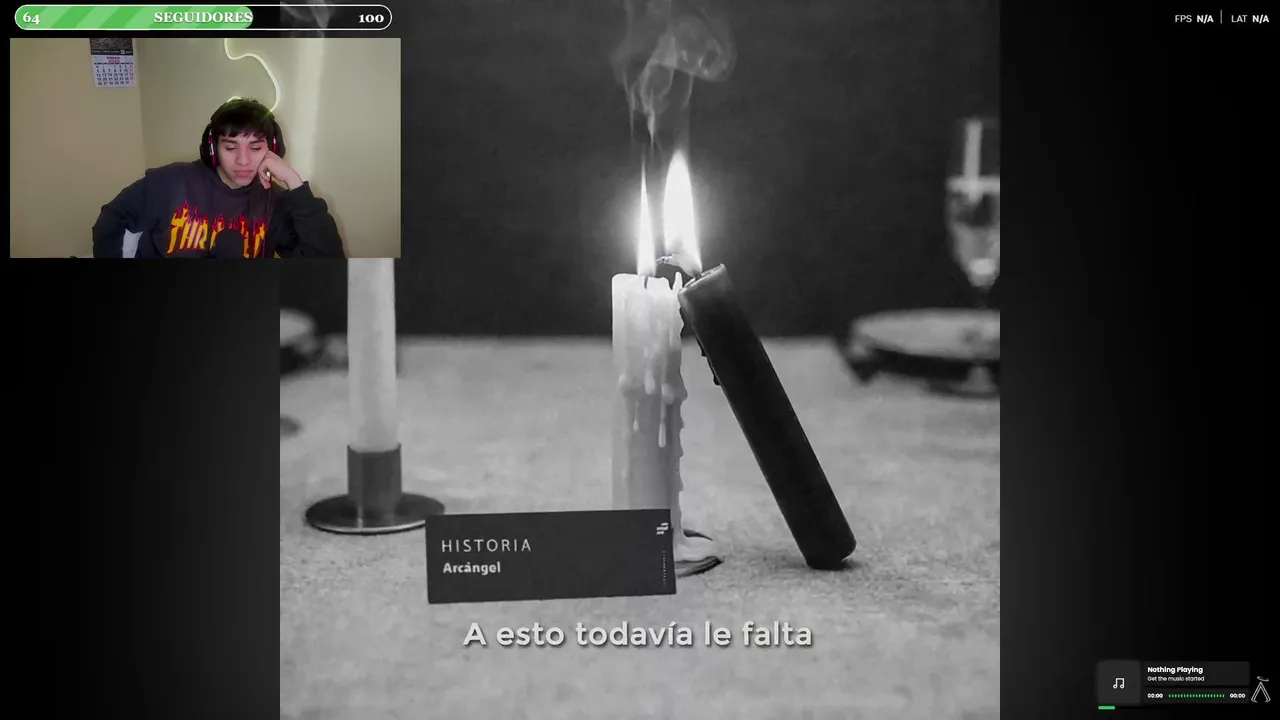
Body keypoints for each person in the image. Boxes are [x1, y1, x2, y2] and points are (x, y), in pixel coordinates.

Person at [92, 98, 346, 258]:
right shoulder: (170, 182)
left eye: (256, 148)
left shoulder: (274, 201)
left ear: (273, 150)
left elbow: (327, 263)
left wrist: (294, 183)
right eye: (231, 147)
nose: (243, 161)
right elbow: (112, 219)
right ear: (212, 149)